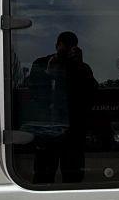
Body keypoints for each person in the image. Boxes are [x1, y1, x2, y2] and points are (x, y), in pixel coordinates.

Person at [27, 31, 96, 184]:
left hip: (72, 132)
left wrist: (79, 66)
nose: (64, 54)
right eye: (63, 48)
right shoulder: (42, 63)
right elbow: (33, 93)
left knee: (73, 176)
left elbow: (91, 95)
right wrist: (49, 72)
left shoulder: (81, 67)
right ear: (56, 46)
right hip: (47, 130)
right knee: (43, 175)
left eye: (70, 48)